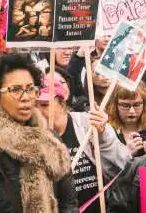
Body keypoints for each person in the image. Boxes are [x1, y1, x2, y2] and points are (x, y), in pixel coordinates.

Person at [0, 53, 78, 212]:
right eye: (15, 89)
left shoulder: (50, 140)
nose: (25, 97)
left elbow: (69, 203)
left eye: (30, 89)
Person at [37, 75, 129, 213]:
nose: (38, 111)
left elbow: (124, 165)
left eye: (45, 105)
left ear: (62, 102)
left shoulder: (89, 123)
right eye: (34, 105)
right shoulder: (32, 135)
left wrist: (103, 137)